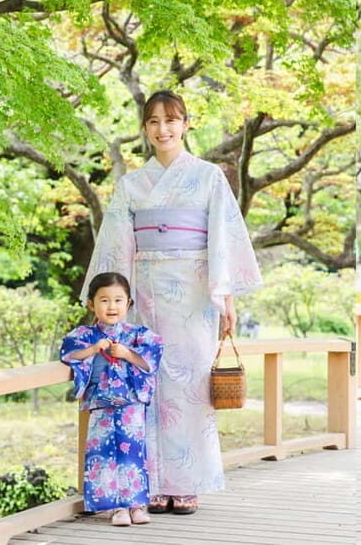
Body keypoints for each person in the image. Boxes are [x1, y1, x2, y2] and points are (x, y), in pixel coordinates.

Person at [81, 90, 263, 515]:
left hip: (195, 290)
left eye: (171, 120)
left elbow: (223, 236)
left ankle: (187, 483)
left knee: (190, 383)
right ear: (144, 129)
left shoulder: (208, 177)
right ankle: (152, 483)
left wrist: (226, 296)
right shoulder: (132, 184)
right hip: (143, 290)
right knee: (145, 382)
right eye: (153, 122)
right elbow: (116, 246)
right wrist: (112, 303)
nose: (163, 129)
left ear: (185, 124)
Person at [61, 272, 164, 526]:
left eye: (118, 300)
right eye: (104, 300)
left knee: (133, 455)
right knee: (104, 455)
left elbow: (154, 353)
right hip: (101, 404)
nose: (112, 306)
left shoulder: (137, 334)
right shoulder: (85, 334)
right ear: (91, 304)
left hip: (130, 404)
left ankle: (137, 505)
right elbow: (69, 353)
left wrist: (128, 353)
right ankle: (116, 507)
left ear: (128, 303)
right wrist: (94, 349)